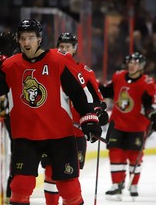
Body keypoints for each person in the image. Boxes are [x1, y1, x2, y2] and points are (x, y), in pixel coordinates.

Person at [0, 19, 104, 205]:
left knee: (69, 188)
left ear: (39, 39)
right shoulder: (10, 65)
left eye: (31, 38)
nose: (27, 43)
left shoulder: (59, 60)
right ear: (18, 41)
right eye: (23, 38)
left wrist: (90, 118)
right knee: (19, 187)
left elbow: (80, 91)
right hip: (26, 137)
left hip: (59, 136)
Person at [41, 32, 107, 204]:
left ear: (75, 49)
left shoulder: (85, 72)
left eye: (68, 46)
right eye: (61, 46)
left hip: (76, 133)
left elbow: (96, 99)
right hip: (51, 130)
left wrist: (99, 111)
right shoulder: (47, 69)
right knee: (50, 171)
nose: (64, 49)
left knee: (69, 174)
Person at [99, 52, 156, 200]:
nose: (132, 64)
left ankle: (133, 184)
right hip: (117, 123)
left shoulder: (147, 82)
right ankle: (117, 184)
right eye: (130, 62)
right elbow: (107, 91)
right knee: (115, 153)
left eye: (135, 62)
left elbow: (151, 106)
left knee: (134, 156)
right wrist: (94, 84)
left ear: (141, 66)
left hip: (137, 126)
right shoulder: (118, 76)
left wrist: (155, 116)